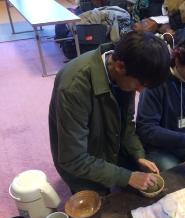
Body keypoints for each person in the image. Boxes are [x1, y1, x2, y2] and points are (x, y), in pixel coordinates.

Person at [49, 31, 171, 194]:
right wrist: (127, 177)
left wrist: (138, 154)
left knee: (146, 181)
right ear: (120, 66)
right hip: (79, 162)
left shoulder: (127, 69)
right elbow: (73, 159)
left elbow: (126, 123)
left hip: (109, 145)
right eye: (140, 84)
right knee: (104, 208)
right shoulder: (74, 87)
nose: (140, 91)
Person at [136, 28, 185, 171]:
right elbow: (146, 129)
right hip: (160, 148)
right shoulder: (157, 81)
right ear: (177, 59)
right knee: (177, 177)